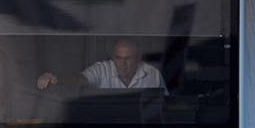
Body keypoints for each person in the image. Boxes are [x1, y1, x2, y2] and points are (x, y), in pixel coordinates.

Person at [37, 37, 167, 91]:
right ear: (113, 57)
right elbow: (80, 80)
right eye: (118, 58)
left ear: (138, 58)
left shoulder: (153, 74)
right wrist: (56, 79)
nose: (123, 63)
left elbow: (164, 106)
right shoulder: (102, 69)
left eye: (128, 58)